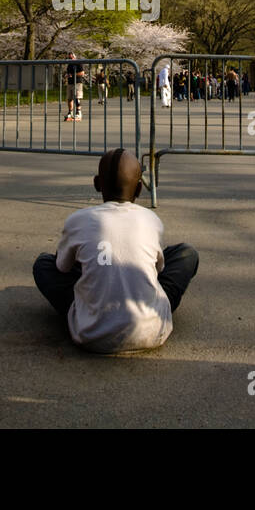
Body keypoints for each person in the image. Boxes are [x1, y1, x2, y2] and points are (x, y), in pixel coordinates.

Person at [32, 149, 199, 354]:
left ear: (96, 184)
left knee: (43, 264)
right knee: (186, 253)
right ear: (139, 189)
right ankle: (145, 312)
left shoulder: (78, 220)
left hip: (90, 334)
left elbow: (61, 268)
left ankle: (90, 313)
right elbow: (159, 269)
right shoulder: (150, 220)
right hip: (152, 331)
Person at [64, 54, 86, 121]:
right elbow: (68, 73)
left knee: (77, 97)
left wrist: (73, 75)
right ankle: (70, 112)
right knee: (69, 98)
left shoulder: (78, 63)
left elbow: (82, 73)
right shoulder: (69, 64)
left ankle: (78, 112)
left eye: (71, 57)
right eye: (69, 58)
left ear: (74, 57)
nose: (71, 59)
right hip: (70, 82)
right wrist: (67, 75)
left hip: (77, 82)